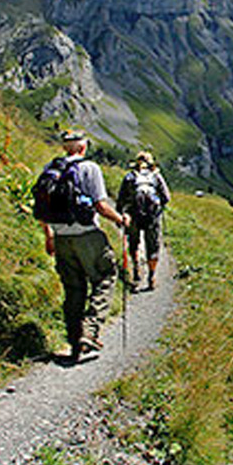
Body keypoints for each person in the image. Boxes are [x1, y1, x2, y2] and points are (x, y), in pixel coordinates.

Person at [37, 130, 127, 362]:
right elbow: (100, 205)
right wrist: (121, 220)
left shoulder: (51, 169)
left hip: (60, 236)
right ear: (83, 147)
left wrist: (49, 236)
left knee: (73, 289)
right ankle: (90, 330)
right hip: (87, 234)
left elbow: (41, 207)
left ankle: (74, 342)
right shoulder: (90, 168)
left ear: (65, 147)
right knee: (105, 277)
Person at [116, 150, 170, 291]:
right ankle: (152, 277)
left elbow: (121, 199)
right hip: (152, 216)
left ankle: (136, 272)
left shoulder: (129, 177)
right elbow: (166, 197)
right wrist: (159, 206)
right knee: (153, 245)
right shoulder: (156, 176)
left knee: (134, 243)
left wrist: (122, 215)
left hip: (134, 215)